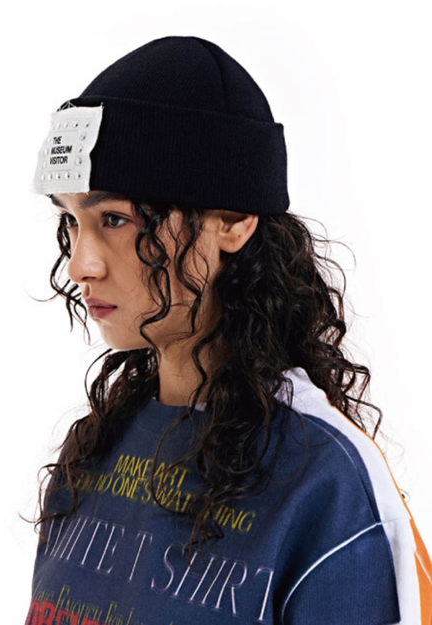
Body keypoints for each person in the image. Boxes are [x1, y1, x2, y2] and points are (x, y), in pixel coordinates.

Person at [23, 35, 432, 624]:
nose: (81, 264)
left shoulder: (326, 486)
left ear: (234, 220)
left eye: (114, 219)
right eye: (70, 220)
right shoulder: (93, 450)